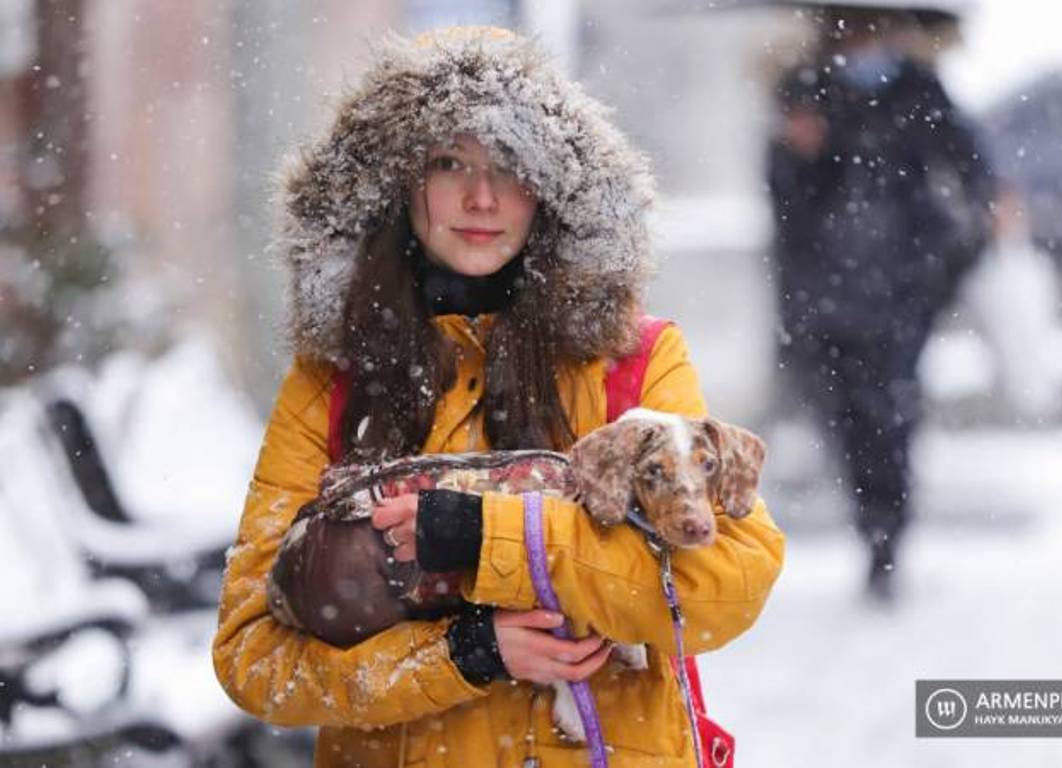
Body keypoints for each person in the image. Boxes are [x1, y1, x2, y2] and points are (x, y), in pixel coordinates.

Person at [212, 27, 785, 767]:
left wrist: (486, 539)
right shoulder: (333, 381)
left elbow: (724, 587)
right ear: (396, 185)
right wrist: (465, 653)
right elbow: (252, 659)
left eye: (510, 166)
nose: (482, 197)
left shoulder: (632, 364)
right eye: (449, 163)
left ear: (549, 189)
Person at [766, 6, 995, 600]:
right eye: (852, 26)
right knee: (844, 418)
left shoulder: (919, 89)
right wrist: (799, 153)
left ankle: (886, 539)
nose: (864, 39)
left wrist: (952, 256)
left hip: (899, 290)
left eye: (874, 27)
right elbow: (785, 202)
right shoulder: (803, 90)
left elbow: (970, 168)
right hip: (824, 293)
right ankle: (872, 523)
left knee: (891, 414)